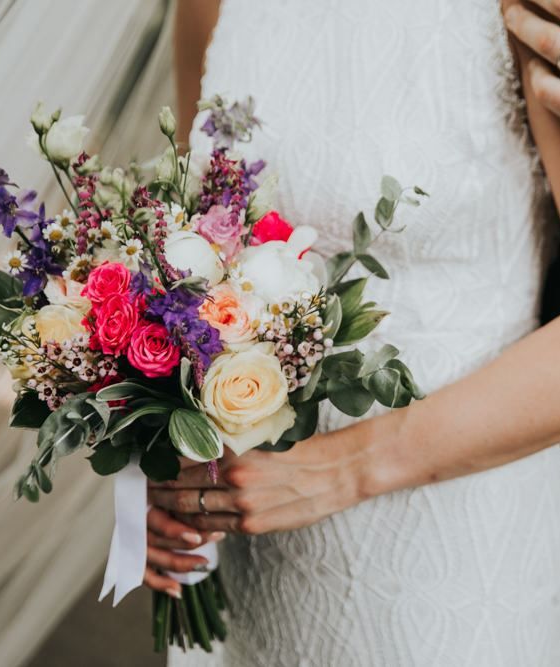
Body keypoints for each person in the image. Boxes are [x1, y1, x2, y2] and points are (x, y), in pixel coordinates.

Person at [145, 1, 560, 664]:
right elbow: (191, 257)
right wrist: (162, 457)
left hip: (452, 559)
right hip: (254, 558)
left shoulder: (526, 14)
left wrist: (341, 468)